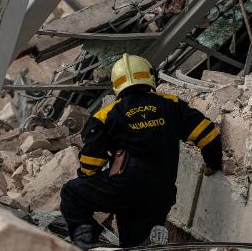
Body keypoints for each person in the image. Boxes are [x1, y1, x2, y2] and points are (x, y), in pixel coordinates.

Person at [60, 53, 222, 249]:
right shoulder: (171, 104)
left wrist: (91, 183)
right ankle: (149, 241)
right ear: (149, 77)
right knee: (136, 244)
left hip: (124, 188)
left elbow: (90, 163)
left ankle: (89, 242)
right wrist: (212, 164)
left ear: (116, 85)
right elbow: (208, 135)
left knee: (71, 193)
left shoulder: (108, 114)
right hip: (161, 193)